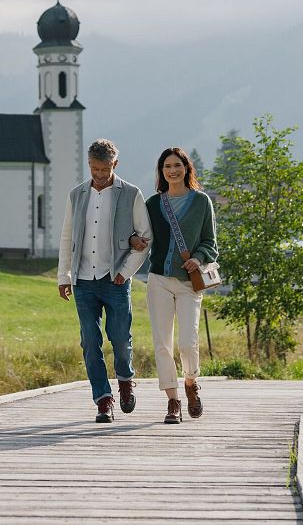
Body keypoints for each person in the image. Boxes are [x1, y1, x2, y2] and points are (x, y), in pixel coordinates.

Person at [58, 138, 153, 423]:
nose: (99, 175)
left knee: (121, 340)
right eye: (94, 168)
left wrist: (126, 272)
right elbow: (67, 237)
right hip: (84, 280)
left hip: (116, 281)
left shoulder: (131, 193)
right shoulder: (76, 195)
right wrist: (64, 275)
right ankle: (103, 399)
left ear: (115, 164)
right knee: (89, 341)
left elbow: (145, 238)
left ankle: (125, 381)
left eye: (104, 169)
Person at [144, 147, 218, 424]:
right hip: (159, 280)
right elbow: (141, 235)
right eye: (167, 167)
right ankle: (172, 400)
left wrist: (198, 259)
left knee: (188, 342)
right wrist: (133, 242)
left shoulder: (201, 202)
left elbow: (210, 243)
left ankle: (191, 383)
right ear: (161, 172)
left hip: (189, 282)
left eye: (177, 165)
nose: (172, 171)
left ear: (187, 168)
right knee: (162, 343)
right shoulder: (152, 204)